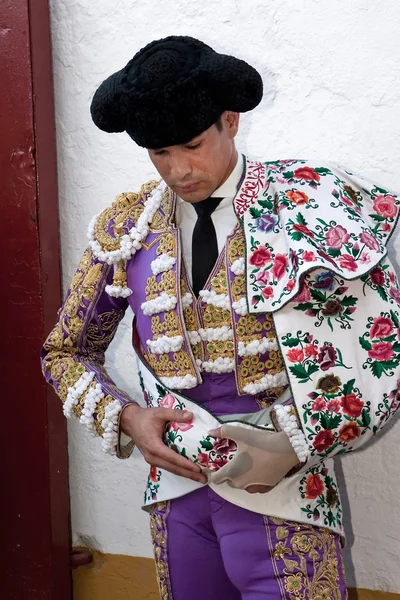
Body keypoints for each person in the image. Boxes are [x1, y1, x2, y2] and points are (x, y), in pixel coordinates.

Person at [41, 35, 400, 600]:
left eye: (191, 144)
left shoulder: (309, 205)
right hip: (176, 498)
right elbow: (64, 352)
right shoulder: (127, 227)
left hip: (287, 493)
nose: (179, 170)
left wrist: (299, 441)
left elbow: (381, 355)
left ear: (230, 121)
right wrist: (128, 417)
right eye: (160, 153)